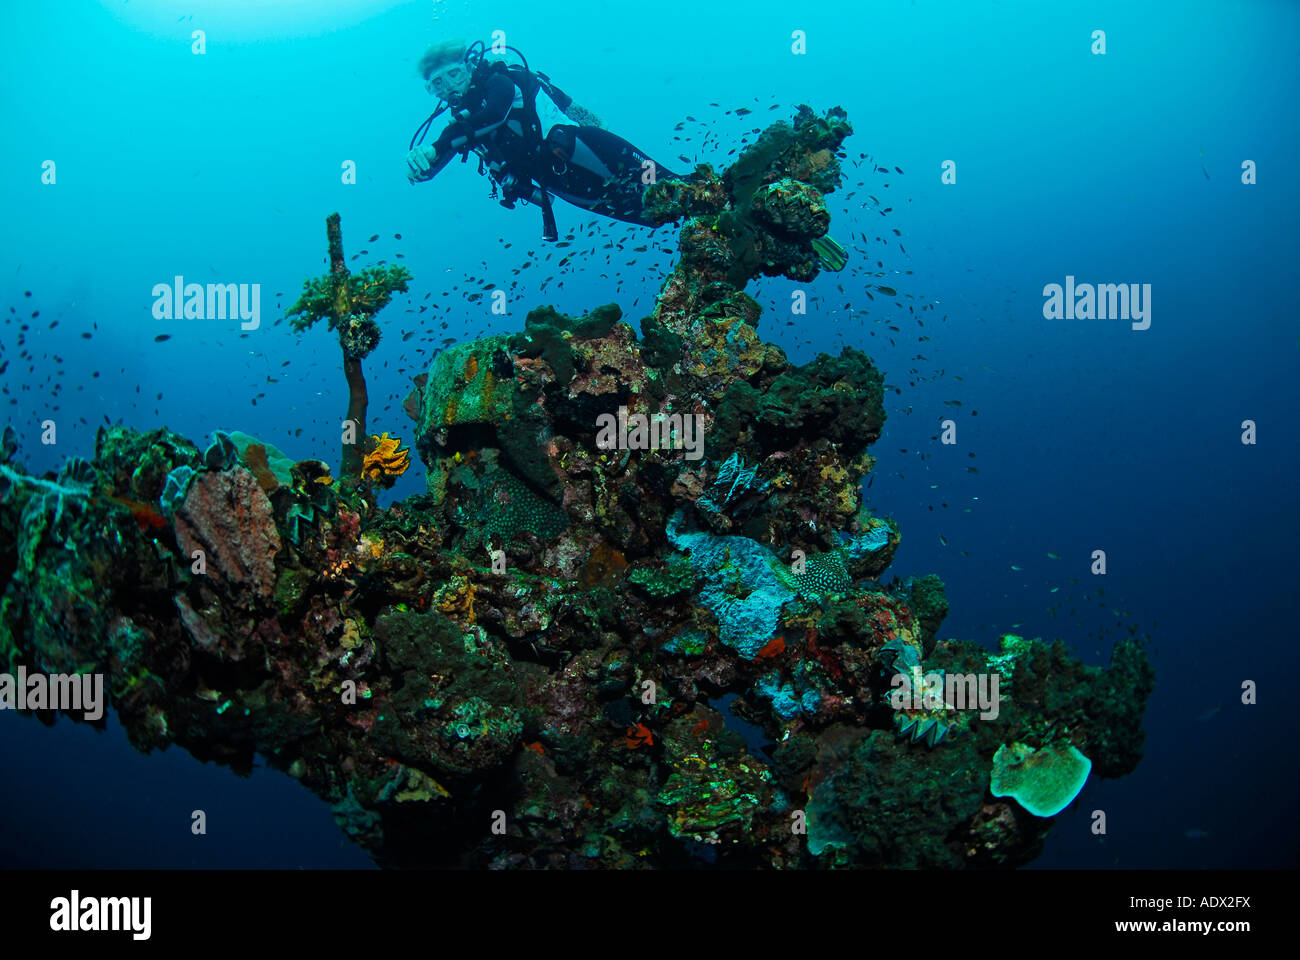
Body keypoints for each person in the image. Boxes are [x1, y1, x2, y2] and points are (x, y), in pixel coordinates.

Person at [405, 39, 687, 240]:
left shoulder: (499, 81)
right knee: (656, 215)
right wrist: (419, 164)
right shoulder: (460, 127)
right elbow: (440, 155)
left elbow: (494, 113)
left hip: (588, 150)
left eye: (454, 74)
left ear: (469, 66)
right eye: (437, 84)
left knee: (678, 189)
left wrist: (434, 147)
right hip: (565, 186)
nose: (450, 87)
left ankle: (724, 201)